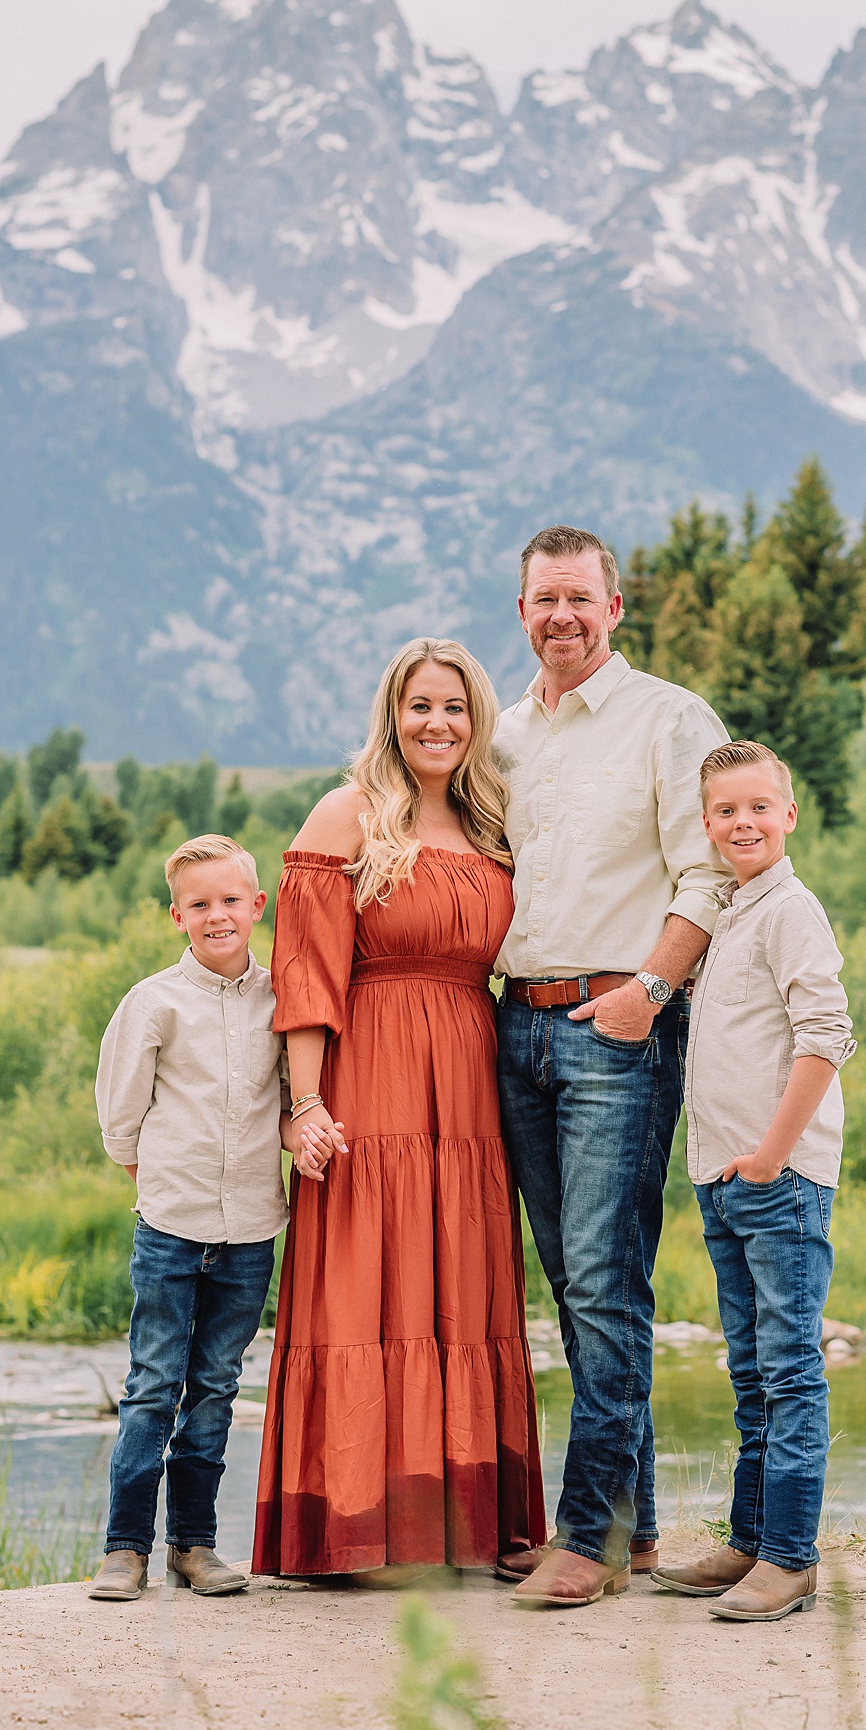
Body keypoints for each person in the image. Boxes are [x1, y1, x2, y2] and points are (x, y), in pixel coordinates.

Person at [252, 637, 545, 1583]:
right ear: (392, 715)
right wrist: (304, 1105)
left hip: (466, 1082)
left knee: (459, 1281)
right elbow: (305, 976)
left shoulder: (493, 824)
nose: (438, 723)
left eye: (454, 708)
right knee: (363, 1282)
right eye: (420, 705)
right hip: (368, 1076)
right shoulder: (347, 814)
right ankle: (354, 1526)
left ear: (477, 721)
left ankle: (464, 1526)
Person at [494, 525, 731, 1609]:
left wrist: (652, 992)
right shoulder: (500, 737)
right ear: (521, 609)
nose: (561, 617)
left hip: (616, 1027)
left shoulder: (668, 719)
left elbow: (714, 870)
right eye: (543, 599)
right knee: (575, 1282)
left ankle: (582, 1540)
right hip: (515, 1026)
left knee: (601, 1282)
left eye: (579, 598)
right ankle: (631, 1529)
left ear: (615, 608)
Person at [89, 833, 341, 1602]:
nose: (218, 915)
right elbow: (119, 1119)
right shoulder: (155, 1001)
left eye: (231, 900)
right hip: (170, 1227)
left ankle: (193, 1544)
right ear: (177, 915)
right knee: (153, 1381)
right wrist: (160, 1185)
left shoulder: (279, 1001)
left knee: (216, 1387)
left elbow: (282, 1107)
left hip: (251, 1232)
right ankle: (125, 1546)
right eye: (200, 904)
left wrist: (305, 1133)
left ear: (258, 905)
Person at [654, 741, 855, 1620]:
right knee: (750, 1369)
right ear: (706, 824)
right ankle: (747, 1541)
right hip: (722, 1173)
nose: (743, 822)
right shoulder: (733, 913)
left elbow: (826, 1036)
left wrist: (773, 1152)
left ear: (789, 814)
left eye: (758, 808)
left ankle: (791, 1556)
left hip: (780, 1176)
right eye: (726, 811)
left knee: (790, 1370)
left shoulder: (791, 912)